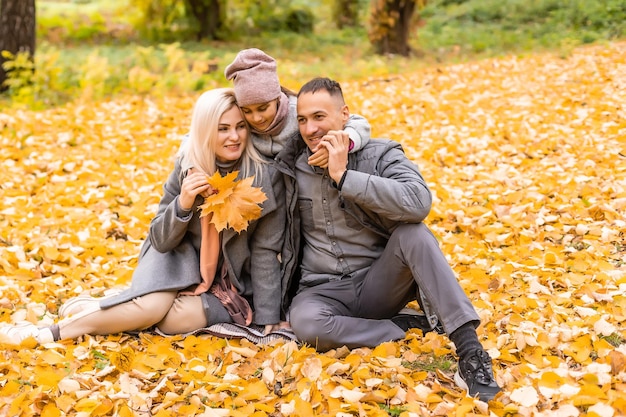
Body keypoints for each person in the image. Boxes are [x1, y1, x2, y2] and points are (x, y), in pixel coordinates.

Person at [0, 88, 287, 345]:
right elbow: (160, 240)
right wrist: (183, 203)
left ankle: (108, 304)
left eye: (240, 127)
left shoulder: (262, 176)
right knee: (151, 309)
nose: (234, 136)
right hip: (177, 263)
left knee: (171, 321)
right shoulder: (188, 165)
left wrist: (267, 314)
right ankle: (47, 333)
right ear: (204, 130)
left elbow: (265, 250)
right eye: (222, 128)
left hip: (226, 286)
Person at [274, 77, 501, 402]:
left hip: (378, 282)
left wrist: (345, 177)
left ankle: (470, 352)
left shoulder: (380, 153)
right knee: (306, 325)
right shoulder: (290, 168)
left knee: (415, 234)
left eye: (319, 117)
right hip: (321, 291)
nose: (310, 129)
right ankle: (400, 329)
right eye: (303, 119)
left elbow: (418, 201)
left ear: (344, 116)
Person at [224, 48, 371, 163]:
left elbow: (359, 123)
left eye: (263, 108)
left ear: (277, 98)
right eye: (247, 111)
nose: (256, 118)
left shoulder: (298, 113)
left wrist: (342, 145)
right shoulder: (240, 122)